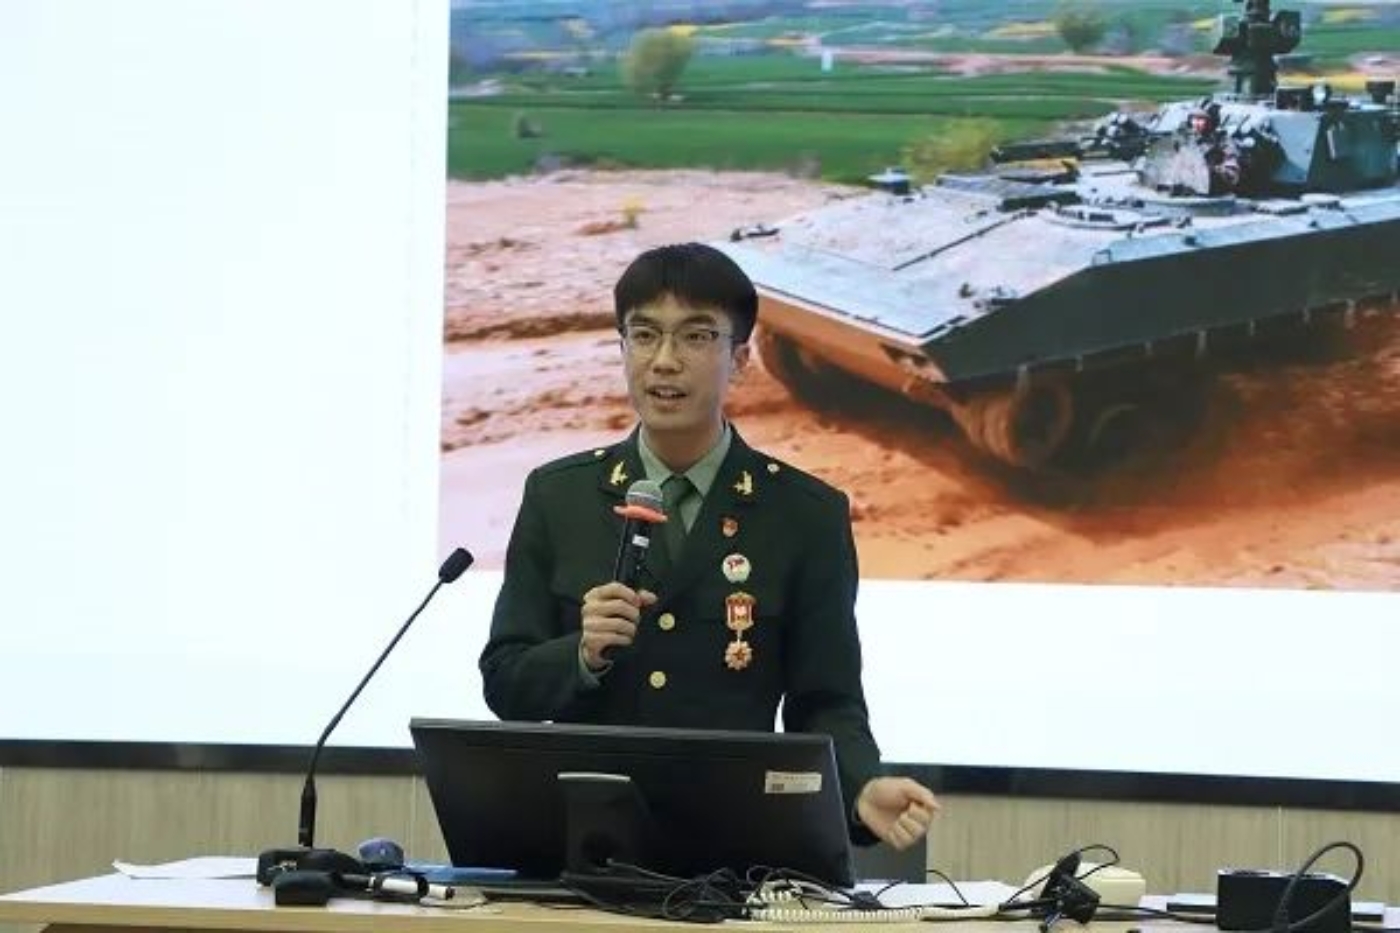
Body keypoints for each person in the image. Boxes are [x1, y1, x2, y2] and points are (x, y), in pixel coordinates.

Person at [479, 242, 938, 852]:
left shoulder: (804, 514)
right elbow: (505, 682)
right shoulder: (558, 496)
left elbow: (826, 700)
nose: (665, 361)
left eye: (696, 337)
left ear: (740, 359)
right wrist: (582, 655)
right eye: (644, 335)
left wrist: (859, 788)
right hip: (581, 847)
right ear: (622, 349)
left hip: (733, 854)